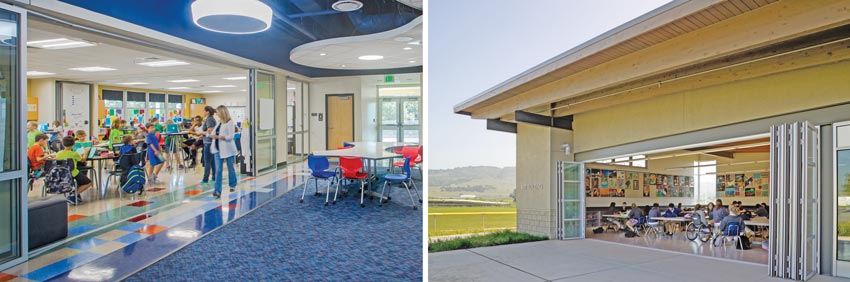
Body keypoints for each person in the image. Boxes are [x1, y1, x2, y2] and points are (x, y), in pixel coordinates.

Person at [210, 106, 238, 199]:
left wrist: (219, 137)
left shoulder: (230, 122)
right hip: (217, 150)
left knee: (231, 168)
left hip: (228, 150)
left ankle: (232, 185)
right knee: (218, 170)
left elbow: (230, 137)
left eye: (217, 112)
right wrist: (211, 134)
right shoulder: (219, 123)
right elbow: (212, 133)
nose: (216, 114)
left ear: (222, 112)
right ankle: (217, 190)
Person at [55, 136, 92, 204]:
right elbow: (83, 160)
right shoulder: (74, 154)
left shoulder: (58, 154)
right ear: (73, 144)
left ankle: (75, 195)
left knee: (79, 180)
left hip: (62, 174)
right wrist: (86, 152)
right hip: (73, 173)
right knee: (88, 182)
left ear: (62, 144)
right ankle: (73, 195)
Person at [201, 106, 217, 183]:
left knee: (207, 161)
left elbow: (210, 130)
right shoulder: (210, 119)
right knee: (212, 161)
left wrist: (202, 133)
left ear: (207, 112)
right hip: (210, 142)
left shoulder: (209, 119)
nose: (202, 112)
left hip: (208, 143)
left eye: (203, 111)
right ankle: (214, 176)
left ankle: (205, 179)